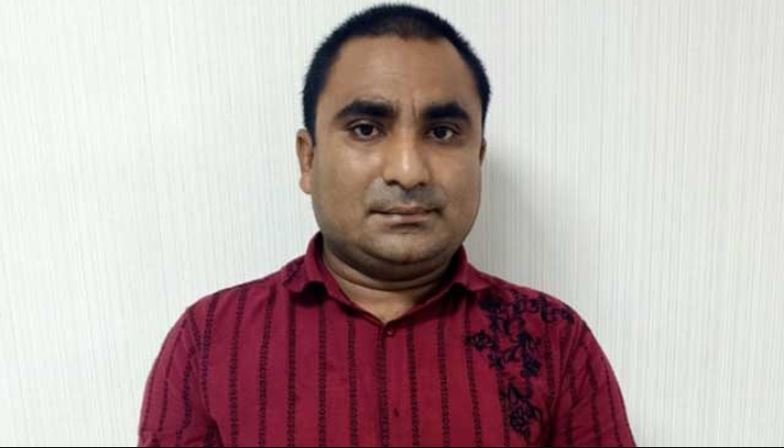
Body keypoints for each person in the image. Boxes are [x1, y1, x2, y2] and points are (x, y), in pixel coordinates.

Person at [138, 4, 636, 446]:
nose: (408, 170)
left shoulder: (553, 340)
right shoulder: (209, 341)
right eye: (366, 129)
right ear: (308, 159)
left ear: (478, 158)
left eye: (442, 132)